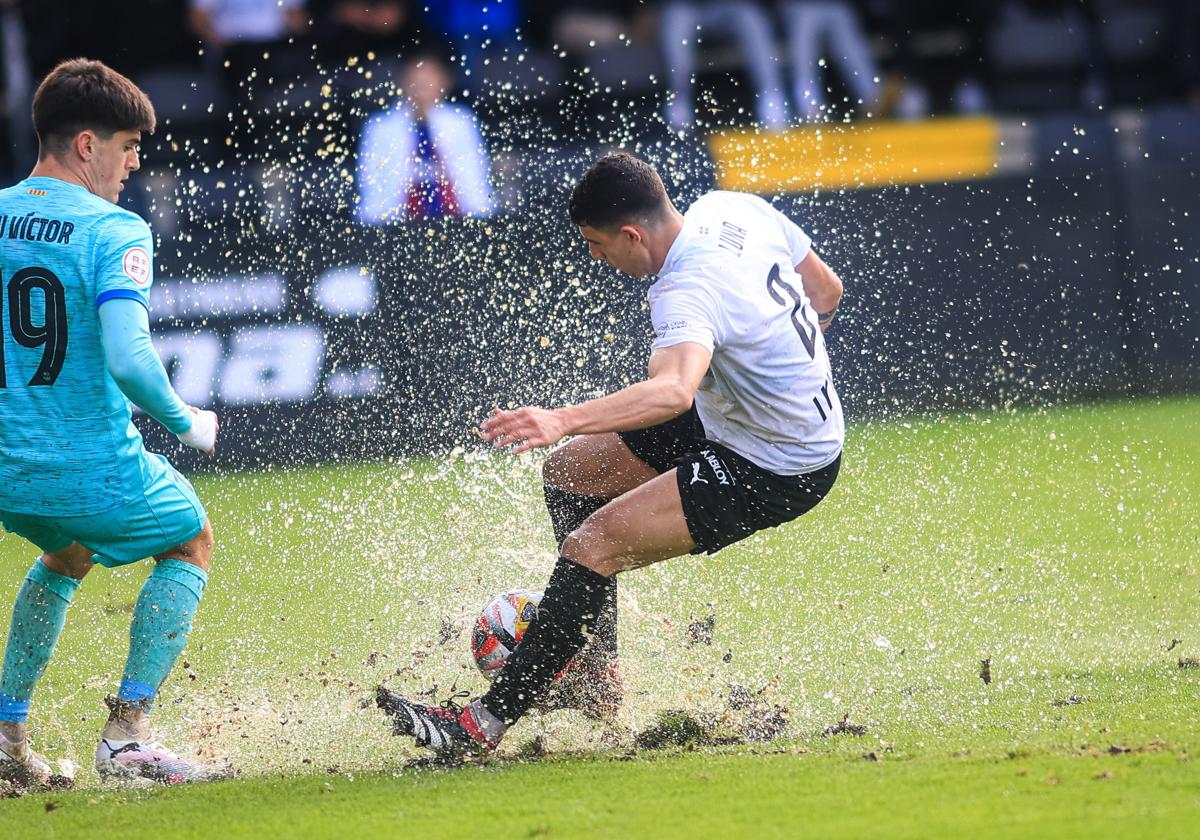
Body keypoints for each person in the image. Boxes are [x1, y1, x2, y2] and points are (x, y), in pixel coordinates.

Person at [377, 151, 845, 757]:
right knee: (571, 474)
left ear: (631, 234)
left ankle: (478, 727)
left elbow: (673, 392)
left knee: (591, 545)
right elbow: (825, 289)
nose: (596, 258)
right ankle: (596, 680)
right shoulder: (734, 208)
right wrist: (777, 368)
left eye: (598, 245)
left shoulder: (684, 288)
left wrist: (561, 418)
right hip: (744, 421)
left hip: (779, 463)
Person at [0, 59, 221, 788]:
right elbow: (129, 359)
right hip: (85, 464)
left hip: (5, 471)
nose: (134, 163)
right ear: (87, 144)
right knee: (189, 537)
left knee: (66, 556)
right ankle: (127, 736)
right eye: (128, 145)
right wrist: (185, 419)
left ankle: (6, 739)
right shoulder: (112, 228)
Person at [355, 49, 495, 223]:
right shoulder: (380, 126)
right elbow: (371, 182)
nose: (422, 89)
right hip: (395, 222)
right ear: (403, 83)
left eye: (428, 82)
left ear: (445, 83)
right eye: (416, 82)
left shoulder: (461, 122)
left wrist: (480, 214)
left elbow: (475, 176)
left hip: (457, 220)